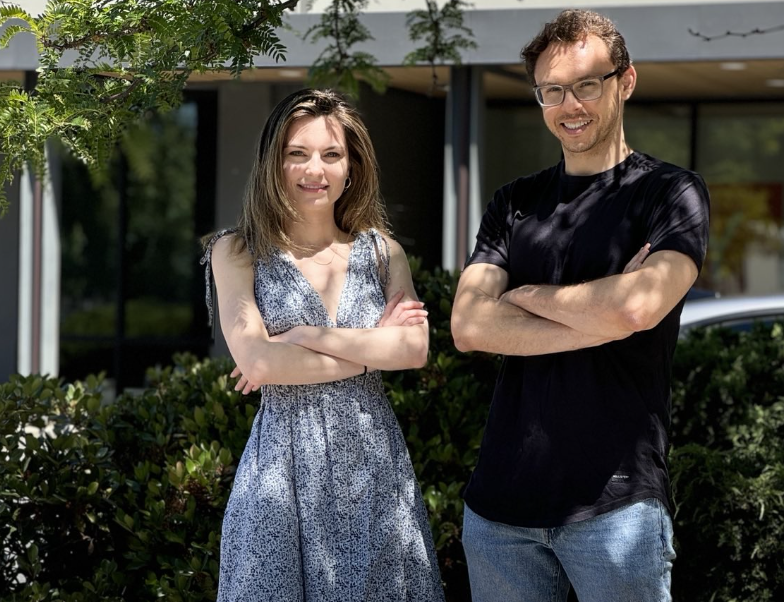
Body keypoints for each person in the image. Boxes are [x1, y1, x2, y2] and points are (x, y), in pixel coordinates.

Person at [450, 9, 709, 602]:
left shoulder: (670, 193)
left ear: (626, 81)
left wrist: (522, 296)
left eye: (587, 84)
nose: (570, 105)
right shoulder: (514, 202)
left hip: (615, 503)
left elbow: (637, 308)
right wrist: (603, 315)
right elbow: (467, 326)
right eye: (552, 91)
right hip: (500, 509)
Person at [200, 88, 445, 602]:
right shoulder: (237, 250)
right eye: (298, 153)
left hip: (373, 468)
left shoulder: (383, 252)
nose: (316, 169)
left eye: (332, 154)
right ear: (274, 163)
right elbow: (259, 360)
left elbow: (413, 350)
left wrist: (304, 337)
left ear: (351, 166)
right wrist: (371, 353)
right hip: (280, 473)